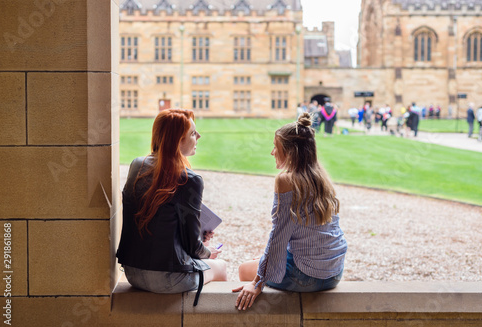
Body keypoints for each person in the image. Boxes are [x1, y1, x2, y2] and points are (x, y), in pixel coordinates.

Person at [233, 113, 347, 311]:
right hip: (334, 274)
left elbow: (278, 236)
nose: (272, 152)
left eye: (276, 147)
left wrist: (257, 283)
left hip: (306, 277)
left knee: (245, 269)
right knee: (261, 260)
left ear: (289, 152)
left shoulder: (286, 180)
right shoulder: (322, 178)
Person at [116, 109, 227, 306]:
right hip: (166, 279)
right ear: (177, 141)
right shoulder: (189, 179)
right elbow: (193, 247)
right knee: (221, 267)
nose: (199, 136)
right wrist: (209, 253)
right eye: (193, 133)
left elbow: (161, 221)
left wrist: (199, 236)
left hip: (133, 272)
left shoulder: (137, 165)